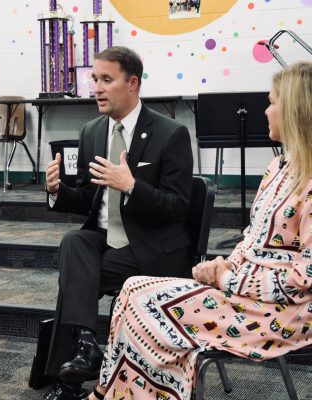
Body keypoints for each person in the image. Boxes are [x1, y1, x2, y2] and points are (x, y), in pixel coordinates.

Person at [88, 61, 312, 400]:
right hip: (245, 290)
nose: (265, 112)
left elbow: (305, 278)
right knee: (132, 288)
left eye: (272, 102)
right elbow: (253, 238)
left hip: (281, 313)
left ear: (295, 111)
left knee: (151, 309)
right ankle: (109, 391)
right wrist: (226, 264)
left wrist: (229, 279)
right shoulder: (278, 166)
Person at [42, 46, 194, 400]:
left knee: (74, 279)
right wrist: (57, 191)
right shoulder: (93, 131)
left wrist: (131, 186)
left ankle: (66, 380)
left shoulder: (170, 133)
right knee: (73, 243)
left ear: (132, 83)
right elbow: (86, 199)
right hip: (105, 237)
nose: (96, 87)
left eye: (106, 80)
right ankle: (84, 345)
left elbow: (178, 209)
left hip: (152, 244)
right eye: (94, 79)